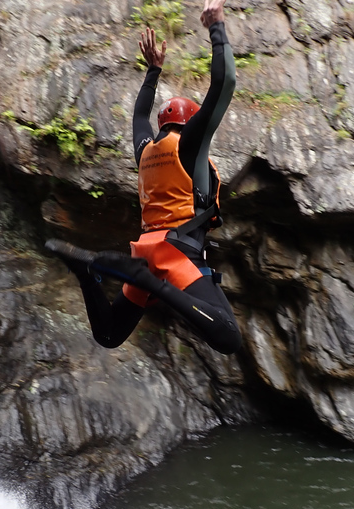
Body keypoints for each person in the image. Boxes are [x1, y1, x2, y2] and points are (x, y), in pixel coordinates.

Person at [46, 0, 241, 354]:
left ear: (164, 123)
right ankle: (147, 282)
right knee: (228, 336)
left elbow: (138, 116)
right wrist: (216, 27)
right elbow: (224, 84)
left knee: (108, 334)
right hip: (176, 256)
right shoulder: (189, 145)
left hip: (148, 250)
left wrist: (153, 70)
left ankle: (86, 273)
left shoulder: (147, 150)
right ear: (190, 123)